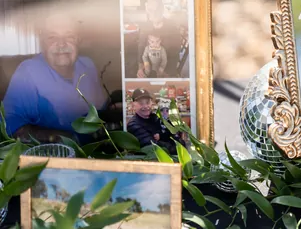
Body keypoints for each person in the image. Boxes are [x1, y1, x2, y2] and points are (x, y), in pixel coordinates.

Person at [2, 14, 106, 142]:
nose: (61, 44)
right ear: (42, 42)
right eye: (52, 37)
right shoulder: (28, 72)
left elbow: (100, 111)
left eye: (69, 36)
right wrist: (59, 138)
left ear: (78, 40)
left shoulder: (87, 65)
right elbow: (9, 127)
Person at [136, 0, 182, 78]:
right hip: (148, 67)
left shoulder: (172, 29)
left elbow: (174, 55)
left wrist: (165, 73)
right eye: (149, 10)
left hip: (166, 70)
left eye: (155, 10)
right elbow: (141, 48)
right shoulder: (145, 27)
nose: (151, 13)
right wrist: (140, 68)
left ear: (161, 10)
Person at [126, 88, 179, 153]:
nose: (145, 106)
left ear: (152, 103)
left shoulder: (156, 118)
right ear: (133, 105)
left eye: (147, 102)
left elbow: (173, 135)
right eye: (141, 103)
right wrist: (177, 148)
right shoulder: (133, 125)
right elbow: (153, 146)